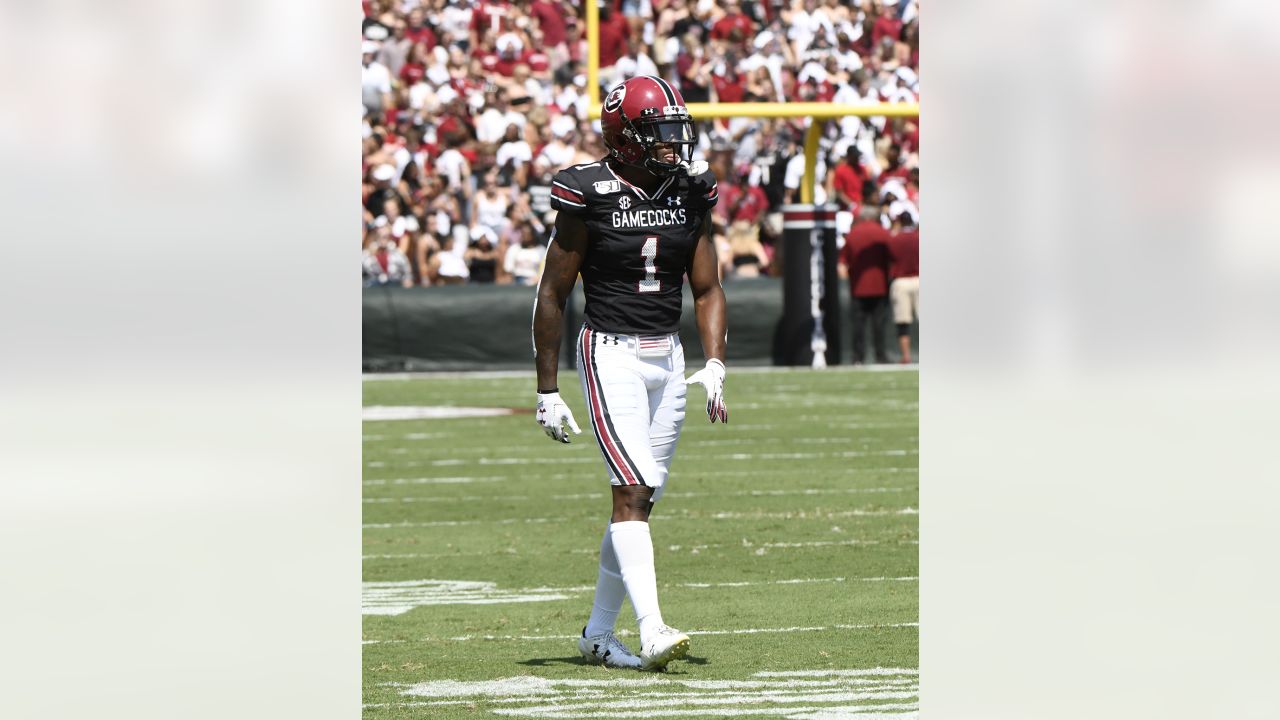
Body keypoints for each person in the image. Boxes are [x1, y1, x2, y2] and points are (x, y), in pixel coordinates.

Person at [532, 76, 727, 673]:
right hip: (610, 351)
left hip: (667, 357)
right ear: (625, 137)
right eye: (658, 132)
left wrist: (715, 360)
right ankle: (652, 628)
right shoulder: (586, 191)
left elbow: (709, 287)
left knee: (642, 500)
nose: (672, 143)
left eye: (675, 131)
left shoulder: (689, 191)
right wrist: (547, 390)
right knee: (632, 488)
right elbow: (553, 292)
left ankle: (596, 633)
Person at [839, 206, 892, 364]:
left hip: (858, 286)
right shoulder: (883, 233)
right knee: (879, 325)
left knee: (858, 326)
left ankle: (858, 357)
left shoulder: (853, 234)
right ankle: (880, 356)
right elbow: (890, 258)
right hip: (880, 286)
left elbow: (843, 262)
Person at [887, 211, 919, 363]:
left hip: (901, 282)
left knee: (903, 322)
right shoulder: (919, 237)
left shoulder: (895, 239)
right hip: (919, 279)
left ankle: (906, 356)